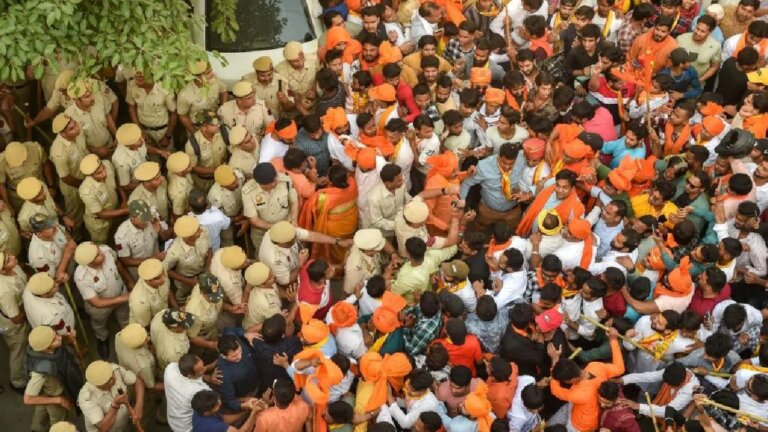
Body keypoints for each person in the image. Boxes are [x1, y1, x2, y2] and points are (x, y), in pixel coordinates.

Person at [77, 360, 146, 432]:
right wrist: (115, 405)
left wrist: (139, 405)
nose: (114, 378)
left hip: (123, 422)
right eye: (109, 379)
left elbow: (138, 381)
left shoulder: (113, 369)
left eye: (112, 374)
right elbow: (103, 428)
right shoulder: (86, 398)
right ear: (98, 385)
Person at [164, 354, 213, 432]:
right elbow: (212, 408)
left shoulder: (170, 368)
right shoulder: (198, 391)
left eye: (203, 365)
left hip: (173, 421)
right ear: (190, 375)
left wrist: (209, 378)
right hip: (188, 428)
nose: (204, 369)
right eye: (201, 370)